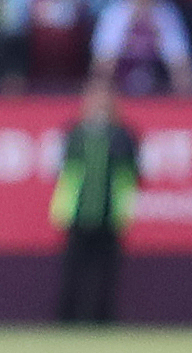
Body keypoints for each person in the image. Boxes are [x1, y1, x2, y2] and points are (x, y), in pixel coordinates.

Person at [50, 81, 140, 325]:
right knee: (73, 269)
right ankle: (67, 319)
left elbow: (132, 175)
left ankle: (102, 320)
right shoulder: (75, 134)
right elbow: (64, 173)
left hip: (109, 213)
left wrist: (124, 210)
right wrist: (61, 210)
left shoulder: (123, 136)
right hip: (77, 213)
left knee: (106, 272)